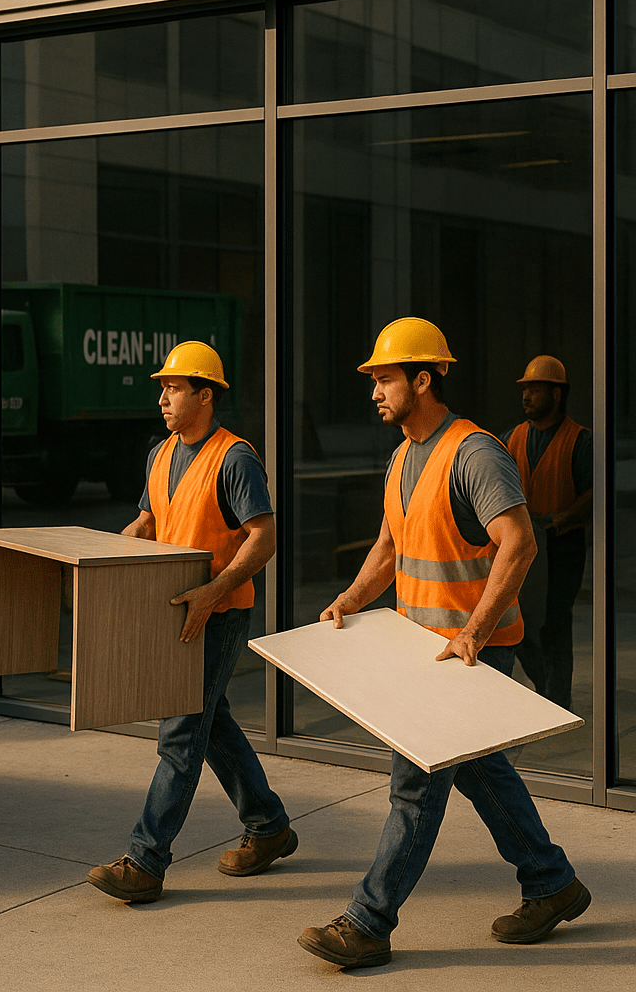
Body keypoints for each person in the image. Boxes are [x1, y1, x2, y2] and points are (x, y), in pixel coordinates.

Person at [299, 318, 589, 969]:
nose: (373, 390)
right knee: (485, 776)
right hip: (423, 652)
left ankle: (368, 922)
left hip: (468, 654)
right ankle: (552, 882)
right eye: (372, 379)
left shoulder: (476, 453)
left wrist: (474, 634)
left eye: (384, 378)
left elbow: (520, 542)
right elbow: (388, 547)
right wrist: (349, 599)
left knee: (415, 786)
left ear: (422, 379)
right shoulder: (403, 455)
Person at [86, 340, 295, 904]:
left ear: (206, 395)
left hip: (221, 611)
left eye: (174, 388)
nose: (163, 398)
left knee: (182, 734)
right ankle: (270, 826)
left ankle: (145, 860)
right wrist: (102, 555)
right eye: (162, 388)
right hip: (178, 611)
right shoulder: (159, 454)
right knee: (213, 723)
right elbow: (149, 521)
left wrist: (215, 589)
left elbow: (264, 536)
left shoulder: (235, 458)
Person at [499, 355, 591, 710]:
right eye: (525, 390)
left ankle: (559, 700)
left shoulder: (580, 441)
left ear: (556, 394)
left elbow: (592, 494)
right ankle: (546, 689)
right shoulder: (511, 439)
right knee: (519, 621)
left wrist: (561, 519)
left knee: (555, 623)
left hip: (563, 544)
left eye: (534, 390)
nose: (526, 397)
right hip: (525, 542)